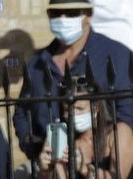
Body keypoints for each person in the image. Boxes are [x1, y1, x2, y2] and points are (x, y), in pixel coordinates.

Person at [14, 0, 133, 165]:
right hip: (51, 169)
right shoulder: (36, 63)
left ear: (88, 15)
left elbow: (127, 113)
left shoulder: (116, 55)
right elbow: (22, 112)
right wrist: (35, 149)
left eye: (71, 13)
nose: (62, 19)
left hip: (103, 166)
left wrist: (96, 146)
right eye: (56, 14)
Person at [38, 79, 133, 179]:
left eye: (79, 109)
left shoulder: (118, 131)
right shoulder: (62, 136)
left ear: (96, 108)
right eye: (68, 110)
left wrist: (85, 169)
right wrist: (45, 170)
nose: (73, 114)